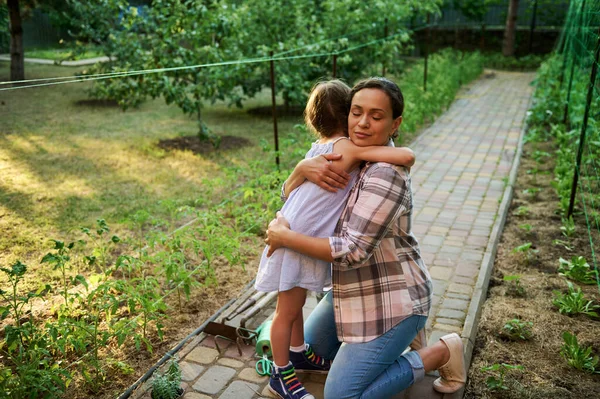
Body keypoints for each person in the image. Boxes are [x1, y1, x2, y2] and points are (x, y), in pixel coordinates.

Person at [265, 77, 466, 399]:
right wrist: (300, 170)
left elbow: (352, 250)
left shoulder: (384, 173)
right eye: (356, 112)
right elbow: (298, 198)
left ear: (394, 123)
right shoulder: (347, 155)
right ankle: (397, 343)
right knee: (311, 351)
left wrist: (285, 237)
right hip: (349, 289)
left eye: (376, 116)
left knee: (341, 395)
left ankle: (441, 351)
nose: (362, 122)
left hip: (391, 297)